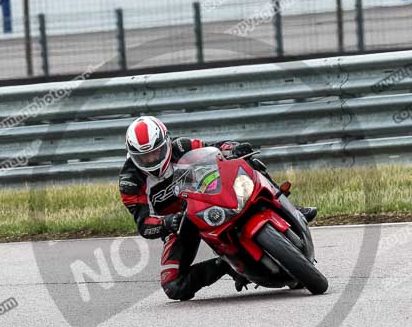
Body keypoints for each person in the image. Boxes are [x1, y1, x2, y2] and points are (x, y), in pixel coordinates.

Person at [119, 114, 317, 301]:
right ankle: (227, 265)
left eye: (156, 151)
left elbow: (213, 148)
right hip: (179, 223)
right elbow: (144, 223)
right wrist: (167, 222)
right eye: (144, 156)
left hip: (206, 197)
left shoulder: (181, 145)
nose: (152, 159)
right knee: (173, 285)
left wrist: (233, 148)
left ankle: (289, 207)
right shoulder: (130, 181)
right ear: (133, 155)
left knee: (248, 160)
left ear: (166, 143)